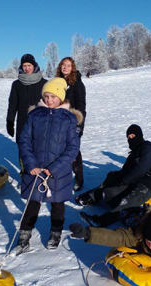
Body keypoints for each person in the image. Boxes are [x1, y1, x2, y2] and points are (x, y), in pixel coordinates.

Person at [15, 77, 82, 254]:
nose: (49, 100)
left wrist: (54, 168)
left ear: (60, 97)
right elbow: (24, 140)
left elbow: (73, 148)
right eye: (46, 96)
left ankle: (55, 232)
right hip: (35, 170)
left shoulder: (69, 119)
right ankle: (24, 235)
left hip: (58, 173)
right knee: (32, 203)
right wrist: (31, 163)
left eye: (53, 96)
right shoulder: (34, 115)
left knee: (57, 204)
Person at [76, 124, 151, 227]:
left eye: (133, 136)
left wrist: (124, 180)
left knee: (125, 203)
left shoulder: (148, 148)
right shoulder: (133, 154)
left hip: (150, 184)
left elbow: (141, 168)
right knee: (110, 191)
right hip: (135, 182)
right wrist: (114, 177)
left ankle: (100, 221)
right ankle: (90, 197)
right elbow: (124, 171)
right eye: (129, 137)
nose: (131, 139)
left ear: (139, 135)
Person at [56, 57, 86, 191]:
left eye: (68, 65)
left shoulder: (77, 84)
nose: (65, 68)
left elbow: (81, 107)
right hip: (59, 122)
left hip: (73, 123)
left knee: (73, 151)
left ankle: (79, 178)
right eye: (63, 65)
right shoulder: (58, 83)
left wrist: (79, 126)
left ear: (72, 67)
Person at [6, 54, 47, 143]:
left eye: (29, 65)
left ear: (34, 66)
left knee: (39, 153)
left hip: (41, 125)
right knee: (23, 152)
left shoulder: (44, 83)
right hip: (23, 123)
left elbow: (51, 105)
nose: (27, 68)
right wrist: (10, 122)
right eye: (24, 66)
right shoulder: (16, 84)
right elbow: (12, 105)